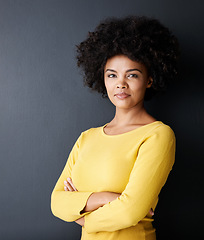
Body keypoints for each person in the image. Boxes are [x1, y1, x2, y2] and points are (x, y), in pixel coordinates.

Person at [51, 16, 180, 240]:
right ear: (103, 79)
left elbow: (130, 212)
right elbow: (56, 201)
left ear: (149, 80)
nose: (121, 83)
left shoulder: (158, 135)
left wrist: (81, 215)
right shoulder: (87, 137)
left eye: (132, 74)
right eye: (112, 75)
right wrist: (107, 198)